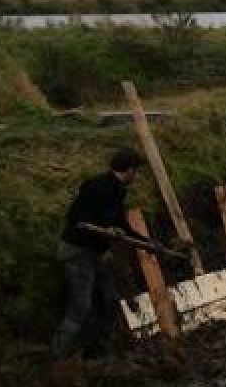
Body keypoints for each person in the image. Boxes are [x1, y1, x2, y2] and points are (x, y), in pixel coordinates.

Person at [49, 148, 151, 364]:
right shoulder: (95, 186)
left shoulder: (118, 191)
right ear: (129, 170)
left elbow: (121, 225)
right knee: (81, 307)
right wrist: (106, 228)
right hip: (76, 252)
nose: (137, 176)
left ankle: (97, 354)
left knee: (110, 301)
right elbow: (77, 218)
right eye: (136, 171)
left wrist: (149, 244)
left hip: (94, 254)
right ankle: (55, 358)